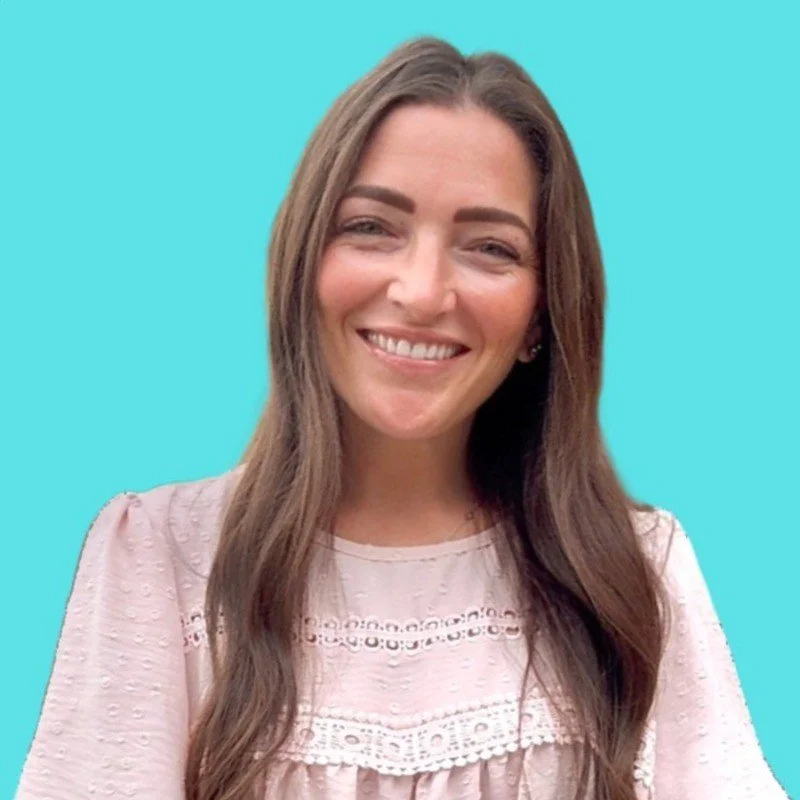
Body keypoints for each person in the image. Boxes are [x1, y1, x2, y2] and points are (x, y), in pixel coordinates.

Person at [16, 36, 789, 800]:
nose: (422, 292)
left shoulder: (635, 574)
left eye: (490, 247)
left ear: (539, 317)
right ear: (303, 266)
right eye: (371, 227)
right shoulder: (159, 559)